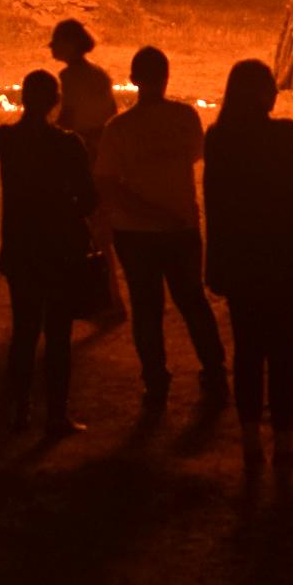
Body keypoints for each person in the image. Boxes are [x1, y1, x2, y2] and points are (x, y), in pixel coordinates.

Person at [202, 59, 293, 473]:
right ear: (258, 92)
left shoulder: (220, 139)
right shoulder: (288, 137)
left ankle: (251, 439)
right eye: (270, 86)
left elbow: (216, 207)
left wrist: (216, 264)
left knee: (248, 352)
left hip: (242, 265)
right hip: (284, 263)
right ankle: (285, 442)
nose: (276, 93)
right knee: (283, 352)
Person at [95, 45, 228, 403]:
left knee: (146, 307)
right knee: (192, 301)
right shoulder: (185, 118)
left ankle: (155, 379)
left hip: (135, 233)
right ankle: (214, 372)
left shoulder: (119, 129)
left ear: (133, 79)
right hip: (180, 227)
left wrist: (144, 212)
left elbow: (107, 183)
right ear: (166, 77)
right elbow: (195, 154)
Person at [0, 69, 98, 438]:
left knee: (24, 332)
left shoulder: (6, 138)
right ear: (56, 101)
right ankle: (56, 414)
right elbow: (89, 199)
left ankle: (19, 410)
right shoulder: (69, 144)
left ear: (23, 99)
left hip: (21, 247)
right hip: (59, 249)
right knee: (57, 334)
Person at [49, 21, 122, 330]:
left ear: (70, 45)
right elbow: (111, 111)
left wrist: (49, 136)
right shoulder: (100, 74)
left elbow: (68, 117)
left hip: (83, 151)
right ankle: (113, 298)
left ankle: (103, 301)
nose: (51, 47)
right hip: (101, 148)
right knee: (102, 225)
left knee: (86, 227)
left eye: (56, 42)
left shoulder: (70, 77)